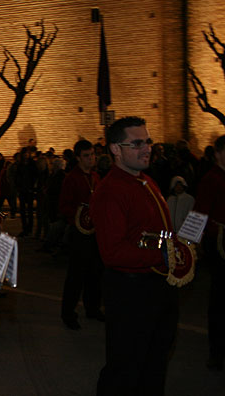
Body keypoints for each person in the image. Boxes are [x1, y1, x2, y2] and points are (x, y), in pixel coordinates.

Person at [91, 116, 178, 395]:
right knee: (126, 369)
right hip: (131, 293)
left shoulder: (145, 180)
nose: (147, 148)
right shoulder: (110, 191)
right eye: (137, 143)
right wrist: (162, 255)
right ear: (116, 149)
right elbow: (113, 252)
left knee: (154, 364)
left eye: (148, 141)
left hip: (156, 287)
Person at [59, 140, 104, 330]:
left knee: (95, 273)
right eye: (86, 155)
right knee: (76, 275)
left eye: (93, 154)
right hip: (78, 233)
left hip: (95, 233)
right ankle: (68, 313)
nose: (91, 158)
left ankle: (92, 308)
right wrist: (78, 217)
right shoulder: (71, 179)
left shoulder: (96, 177)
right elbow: (64, 206)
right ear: (78, 158)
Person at [194, 135, 225, 371]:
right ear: (218, 153)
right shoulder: (211, 179)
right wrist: (191, 244)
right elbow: (199, 212)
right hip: (220, 244)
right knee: (219, 301)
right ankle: (216, 352)